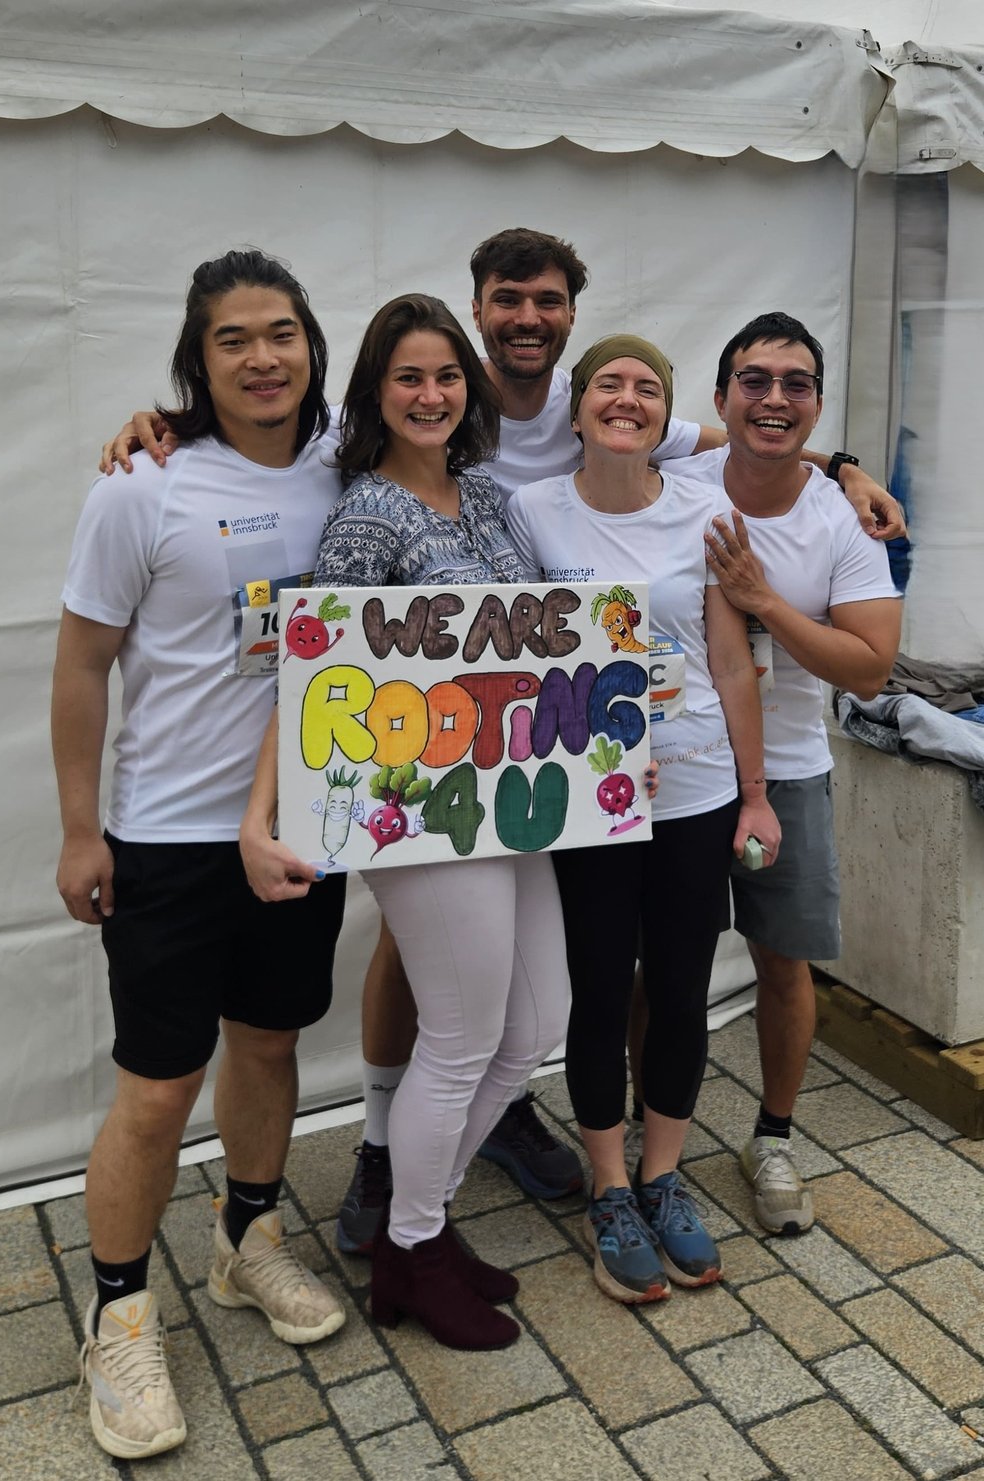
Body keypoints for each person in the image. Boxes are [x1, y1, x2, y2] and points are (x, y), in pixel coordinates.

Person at [97, 231, 908, 1237]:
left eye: (548, 301)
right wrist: (170, 423)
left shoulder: (555, 454)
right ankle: (386, 1157)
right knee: (449, 979)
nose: (526, 319)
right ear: (479, 308)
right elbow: (297, 520)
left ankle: (521, 1150)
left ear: (568, 317)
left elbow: (748, 432)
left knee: (561, 997)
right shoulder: (401, 424)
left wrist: (842, 463)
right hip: (429, 781)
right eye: (506, 300)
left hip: (566, 777)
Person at [51, 249, 348, 1461]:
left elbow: (552, 422)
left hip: (295, 827)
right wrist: (80, 826)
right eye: (234, 339)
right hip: (167, 835)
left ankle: (247, 1242)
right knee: (159, 1082)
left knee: (270, 1041)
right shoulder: (143, 486)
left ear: (313, 345)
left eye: (282, 332)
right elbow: (78, 665)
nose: (263, 356)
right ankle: (119, 1312)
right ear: (198, 357)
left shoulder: (353, 462)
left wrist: (830, 467)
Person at [240, 293, 571, 1350]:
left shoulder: (486, 494)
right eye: (408, 377)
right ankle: (410, 1246)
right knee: (466, 1034)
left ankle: (422, 1229)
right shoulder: (364, 515)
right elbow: (311, 674)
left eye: (445, 376)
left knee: (531, 1027)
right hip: (417, 819)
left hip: (512, 799)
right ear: (375, 394)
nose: (431, 395)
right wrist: (264, 812)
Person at [505, 335, 780, 1303]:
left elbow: (730, 657)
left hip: (697, 788)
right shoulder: (528, 510)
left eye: (647, 388)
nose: (627, 399)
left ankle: (661, 1173)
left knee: (677, 983)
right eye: (609, 385)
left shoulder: (706, 509)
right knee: (594, 983)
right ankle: (609, 1188)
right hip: (589, 799)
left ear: (665, 419)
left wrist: (752, 790)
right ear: (576, 410)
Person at [696, 312, 902, 1235]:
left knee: (784, 966)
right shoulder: (675, 484)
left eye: (796, 384)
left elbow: (868, 666)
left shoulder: (840, 520)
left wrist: (763, 600)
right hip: (680, 774)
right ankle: (644, 1133)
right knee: (658, 969)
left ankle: (772, 1136)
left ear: (817, 404)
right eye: (754, 379)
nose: (774, 399)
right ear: (721, 396)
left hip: (790, 775)